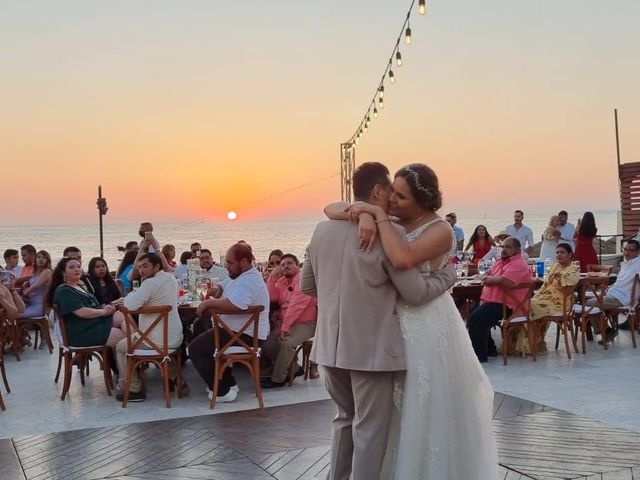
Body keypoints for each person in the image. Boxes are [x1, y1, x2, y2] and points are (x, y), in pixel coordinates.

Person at [319, 162, 493, 479]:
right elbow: (330, 208)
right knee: (391, 410)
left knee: (424, 403)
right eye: (392, 193)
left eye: (401, 196)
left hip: (428, 320)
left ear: (421, 201)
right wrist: (370, 214)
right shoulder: (392, 218)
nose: (393, 200)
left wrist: (378, 216)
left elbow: (402, 258)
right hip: (394, 322)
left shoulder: (439, 230)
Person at [189, 243, 270, 403]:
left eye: (230, 263)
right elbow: (225, 285)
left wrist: (209, 304)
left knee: (196, 349)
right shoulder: (240, 276)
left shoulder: (249, 280)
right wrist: (217, 289)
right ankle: (229, 384)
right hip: (234, 332)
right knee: (201, 334)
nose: (227, 267)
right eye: (226, 262)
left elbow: (236, 304)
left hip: (244, 336)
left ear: (245, 262)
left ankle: (221, 391)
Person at [115, 253, 184, 402]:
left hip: (154, 341)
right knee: (160, 349)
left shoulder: (149, 284)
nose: (141, 270)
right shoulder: (170, 278)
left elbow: (131, 306)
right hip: (174, 338)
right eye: (139, 267)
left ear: (157, 266)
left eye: (145, 266)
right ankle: (178, 380)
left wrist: (128, 298)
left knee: (121, 347)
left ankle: (134, 389)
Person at [467, 237, 532, 363]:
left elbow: (506, 281)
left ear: (517, 249)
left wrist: (489, 280)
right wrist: (487, 277)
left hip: (509, 307)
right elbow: (487, 272)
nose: (504, 250)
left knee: (476, 319)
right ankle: (489, 350)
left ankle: (479, 357)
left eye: (508, 247)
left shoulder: (518, 264)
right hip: (494, 302)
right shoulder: (503, 261)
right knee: (474, 314)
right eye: (502, 247)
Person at [511, 243, 580, 355]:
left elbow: (566, 287)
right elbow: (545, 285)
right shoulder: (554, 266)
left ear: (570, 255)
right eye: (557, 252)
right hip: (546, 298)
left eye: (562, 252)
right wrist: (536, 296)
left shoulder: (574, 269)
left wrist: (558, 275)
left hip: (560, 302)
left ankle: (529, 347)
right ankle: (519, 346)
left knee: (531, 307)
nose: (559, 255)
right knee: (524, 304)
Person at [262, 254, 317, 388]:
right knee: (267, 343)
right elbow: (272, 298)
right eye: (282, 265)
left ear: (297, 265)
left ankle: (279, 379)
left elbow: (296, 306)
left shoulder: (303, 280)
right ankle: (295, 368)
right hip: (286, 322)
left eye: (289, 263)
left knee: (286, 342)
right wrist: (272, 278)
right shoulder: (281, 282)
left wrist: (285, 327)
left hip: (306, 323)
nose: (285, 266)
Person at [47, 257, 127, 348]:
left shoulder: (79, 287)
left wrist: (106, 308)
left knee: (121, 316)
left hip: (92, 324)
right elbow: (82, 312)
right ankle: (137, 350)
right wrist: (103, 312)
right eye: (72, 267)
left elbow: (92, 307)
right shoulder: (64, 290)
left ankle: (137, 346)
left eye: (78, 266)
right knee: (124, 338)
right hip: (81, 332)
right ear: (63, 272)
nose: (77, 269)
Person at [586, 240, 640, 337]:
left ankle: (606, 331)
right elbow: (622, 282)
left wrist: (636, 305)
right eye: (625, 249)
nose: (627, 253)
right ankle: (598, 327)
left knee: (588, 304)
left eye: (631, 250)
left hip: (621, 298)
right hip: (613, 294)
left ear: (638, 251)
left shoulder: (638, 265)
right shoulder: (626, 263)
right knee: (584, 299)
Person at [16, 250, 52, 319]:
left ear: (47, 261)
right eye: (38, 257)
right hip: (28, 304)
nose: (41, 259)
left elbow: (35, 286)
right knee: (9, 311)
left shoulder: (47, 271)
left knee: (13, 314)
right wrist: (26, 285)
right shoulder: (35, 274)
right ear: (35, 259)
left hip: (38, 306)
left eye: (44, 258)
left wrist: (23, 295)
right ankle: (24, 329)